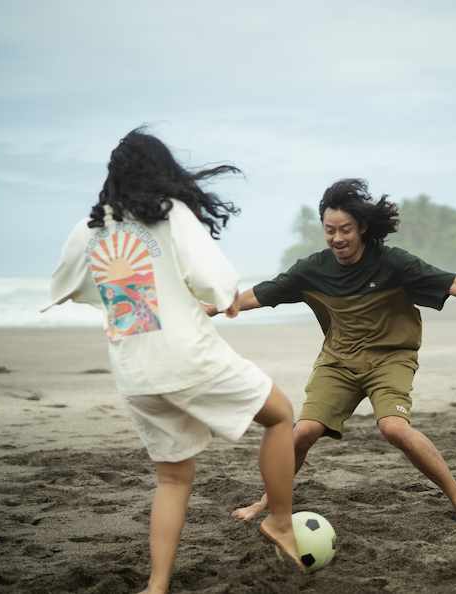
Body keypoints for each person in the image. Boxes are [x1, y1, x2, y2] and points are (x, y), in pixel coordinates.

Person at [41, 127, 301, 594]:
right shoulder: (170, 214)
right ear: (161, 172)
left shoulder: (90, 228)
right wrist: (227, 298)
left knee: (174, 478)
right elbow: (213, 279)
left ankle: (157, 586)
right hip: (187, 359)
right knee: (281, 416)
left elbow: (65, 286)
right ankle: (280, 523)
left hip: (135, 374)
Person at [209, 178, 456, 524]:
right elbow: (257, 295)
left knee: (394, 429)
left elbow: (455, 283)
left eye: (345, 229)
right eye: (329, 230)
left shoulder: (393, 263)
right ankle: (267, 501)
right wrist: (210, 309)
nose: (337, 238)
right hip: (338, 363)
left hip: (390, 360)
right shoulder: (312, 270)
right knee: (303, 432)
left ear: (361, 227)